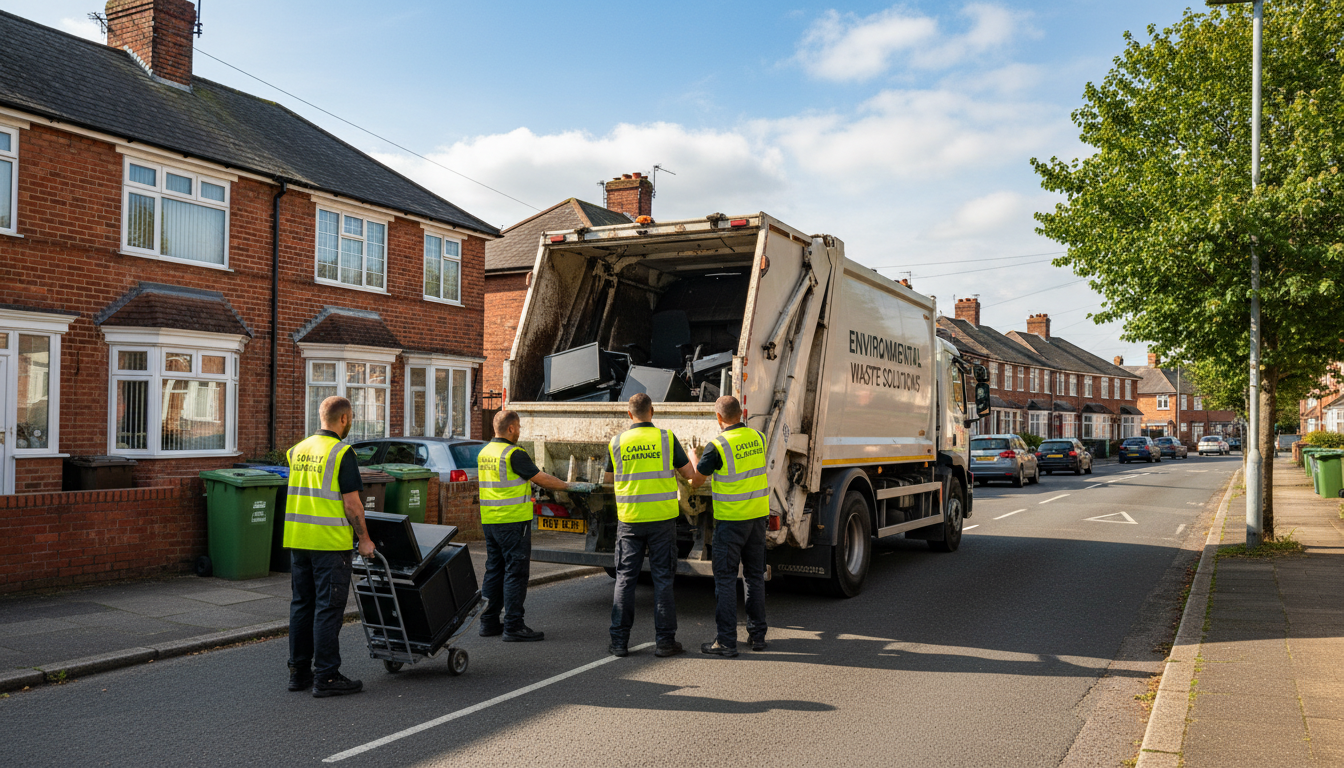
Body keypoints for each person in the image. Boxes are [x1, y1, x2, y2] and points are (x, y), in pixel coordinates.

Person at [284, 396, 376, 698]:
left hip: (298, 540)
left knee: (302, 605)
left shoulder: (297, 450)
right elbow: (352, 505)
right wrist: (364, 539)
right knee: (328, 608)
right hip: (329, 544)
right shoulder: (342, 452)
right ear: (344, 419)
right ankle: (327, 675)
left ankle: (299, 673)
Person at [604, 392, 703, 658]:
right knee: (662, 581)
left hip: (630, 520)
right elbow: (691, 477)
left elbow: (607, 481)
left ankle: (619, 643)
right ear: (653, 411)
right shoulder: (666, 438)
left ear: (629, 414)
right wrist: (693, 458)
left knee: (624, 580)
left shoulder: (616, 442)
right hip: (661, 521)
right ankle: (665, 643)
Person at [476, 409, 581, 642]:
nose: (520, 431)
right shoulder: (513, 453)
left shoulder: (485, 452)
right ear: (511, 428)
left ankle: (488, 622)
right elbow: (539, 477)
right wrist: (566, 485)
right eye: (519, 427)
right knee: (516, 572)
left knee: (494, 570)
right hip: (513, 522)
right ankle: (513, 625)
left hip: (490, 521)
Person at [689, 395, 769, 657]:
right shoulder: (759, 438)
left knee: (725, 581)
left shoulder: (717, 446)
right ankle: (757, 637)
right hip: (757, 519)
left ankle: (725, 641)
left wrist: (692, 456)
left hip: (731, 522)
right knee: (754, 577)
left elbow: (697, 481)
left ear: (718, 418)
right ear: (741, 413)